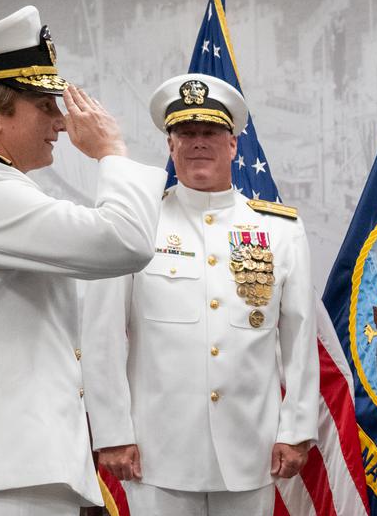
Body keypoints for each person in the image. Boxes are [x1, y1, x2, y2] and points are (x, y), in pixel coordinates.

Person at [0, 6, 167, 515]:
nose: (61, 121)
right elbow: (125, 241)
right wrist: (112, 151)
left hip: (7, 470)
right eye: (44, 104)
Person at [82, 73, 320, 515]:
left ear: (233, 145)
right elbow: (102, 334)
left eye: (209, 132)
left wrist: (297, 428)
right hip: (157, 452)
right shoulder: (137, 225)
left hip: (251, 448)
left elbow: (299, 337)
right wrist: (113, 432)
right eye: (185, 134)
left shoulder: (279, 230)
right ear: (170, 146)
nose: (197, 143)